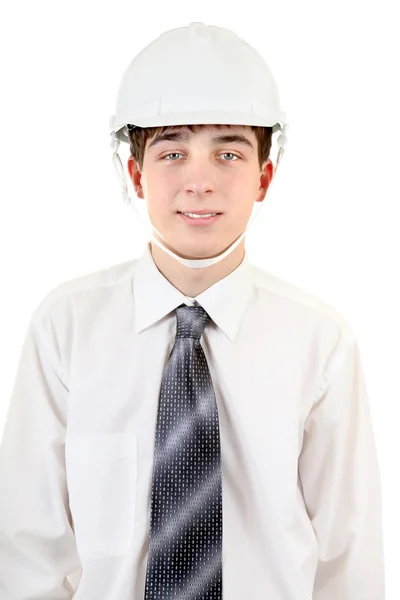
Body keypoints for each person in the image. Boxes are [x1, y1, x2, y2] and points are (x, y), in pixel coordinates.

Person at [0, 21, 385, 600]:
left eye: (228, 153)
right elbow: (30, 551)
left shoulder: (319, 342)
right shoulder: (66, 328)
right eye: (172, 152)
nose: (199, 182)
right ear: (135, 174)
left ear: (265, 177)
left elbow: (349, 556)